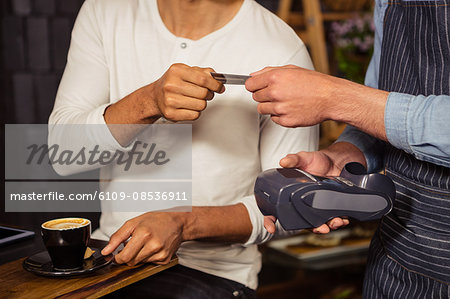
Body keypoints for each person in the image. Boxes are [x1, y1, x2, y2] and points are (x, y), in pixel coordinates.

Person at [48, 0, 348, 297]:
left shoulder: (281, 46)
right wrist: (148, 101)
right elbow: (62, 155)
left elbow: (288, 207)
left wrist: (185, 223)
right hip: (107, 256)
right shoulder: (105, 10)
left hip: (212, 274)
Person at [246, 0, 450, 297]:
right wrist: (343, 156)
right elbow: (381, 101)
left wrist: (336, 98)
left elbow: (365, 105)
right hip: (394, 261)